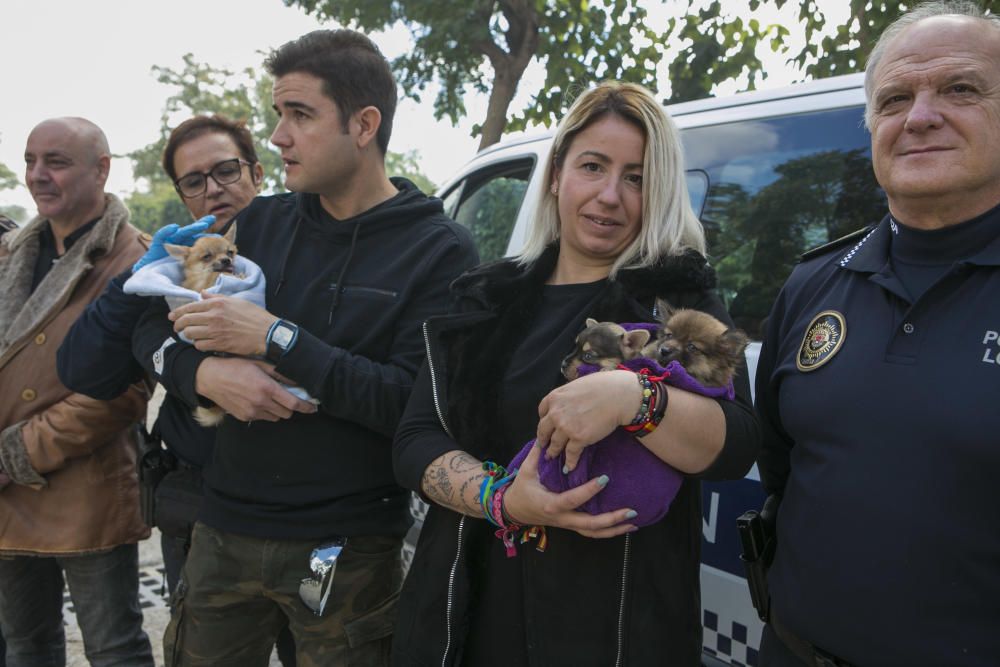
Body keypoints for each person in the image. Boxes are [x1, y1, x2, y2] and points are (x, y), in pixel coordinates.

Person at [131, 29, 478, 665]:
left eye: (300, 115)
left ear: (364, 123)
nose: (279, 137)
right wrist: (204, 376)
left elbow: (411, 405)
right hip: (223, 529)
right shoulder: (257, 223)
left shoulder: (439, 249)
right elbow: (149, 328)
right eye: (277, 116)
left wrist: (278, 339)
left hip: (346, 550)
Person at [391, 81, 760, 666]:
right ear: (557, 174)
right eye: (593, 166)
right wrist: (505, 499)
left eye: (636, 178)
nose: (610, 195)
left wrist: (635, 397)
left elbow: (735, 444)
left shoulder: (676, 300)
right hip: (470, 610)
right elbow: (414, 442)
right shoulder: (487, 299)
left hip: (612, 628)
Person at [754, 2, 1000, 665]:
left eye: (961, 88)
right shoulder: (809, 286)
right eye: (895, 99)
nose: (920, 115)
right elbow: (780, 465)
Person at [56, 114, 299, 666]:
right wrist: (134, 283)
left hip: (309, 514)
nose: (212, 187)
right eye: (194, 180)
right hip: (200, 512)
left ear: (258, 172)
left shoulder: (310, 245)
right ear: (183, 195)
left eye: (226, 170)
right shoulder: (171, 275)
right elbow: (83, 369)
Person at [0, 117, 153, 666]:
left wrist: (15, 454)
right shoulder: (11, 254)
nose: (37, 175)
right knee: (25, 647)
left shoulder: (137, 260)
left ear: (102, 170)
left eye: (56, 162)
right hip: (7, 500)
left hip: (85, 491)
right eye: (30, 160)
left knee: (114, 649)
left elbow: (121, 394)